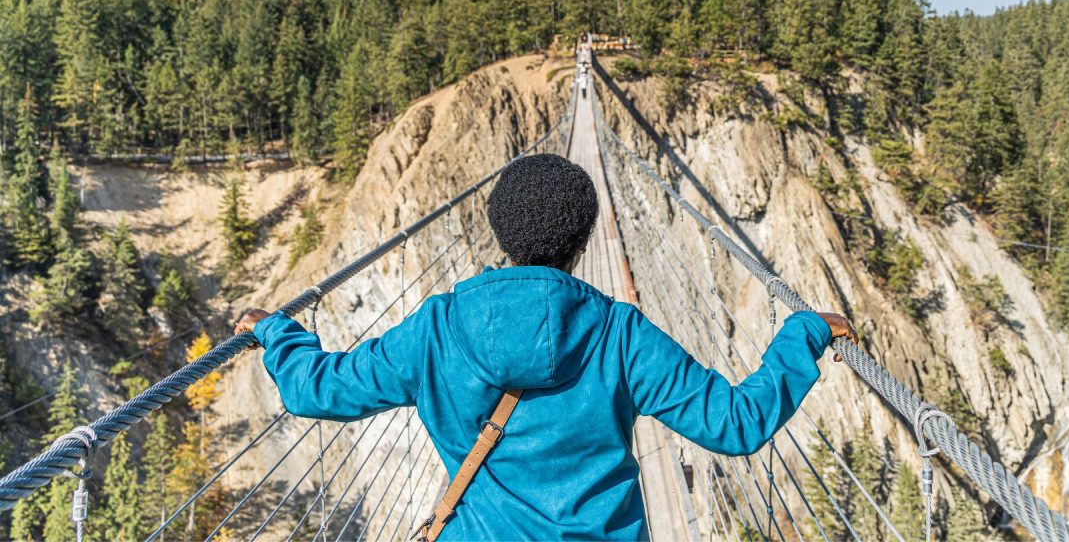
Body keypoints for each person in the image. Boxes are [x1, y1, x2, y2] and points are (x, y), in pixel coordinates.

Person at [237, 153, 854, 541]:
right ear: (584, 242)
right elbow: (735, 425)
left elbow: (313, 389)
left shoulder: (437, 328)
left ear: (499, 232)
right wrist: (805, 333)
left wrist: (276, 331)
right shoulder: (619, 334)